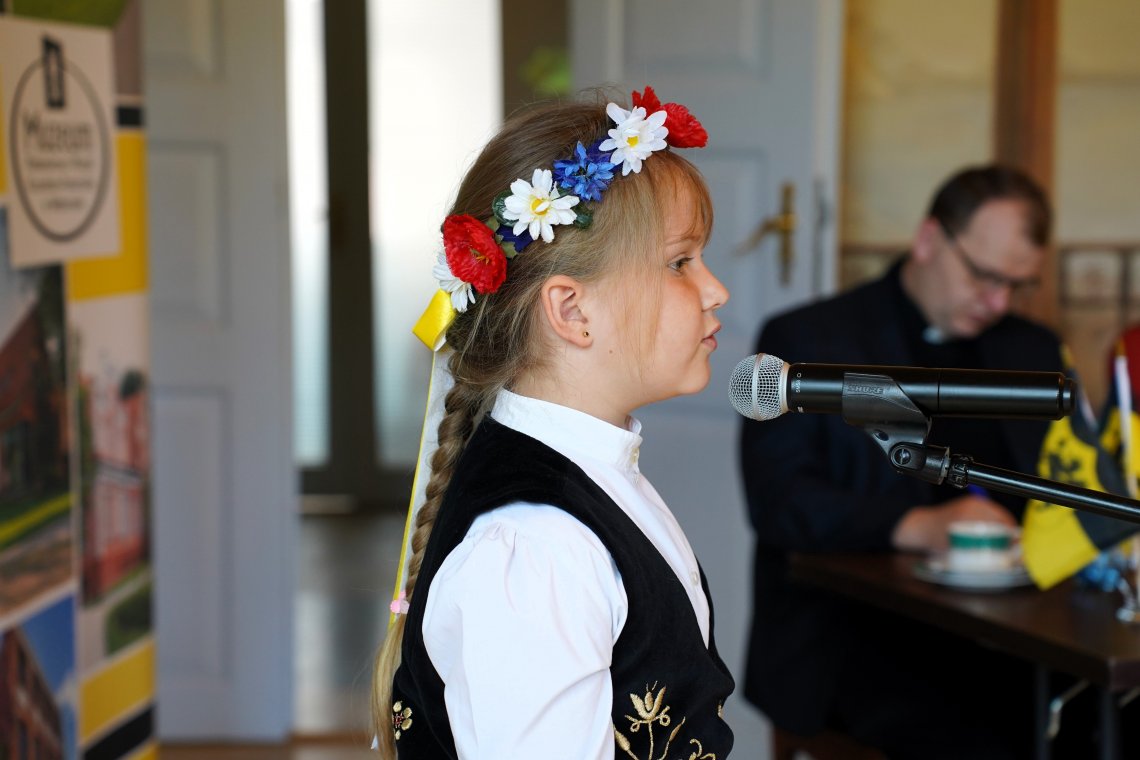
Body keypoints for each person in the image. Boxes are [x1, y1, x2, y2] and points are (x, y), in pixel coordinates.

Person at [371, 87, 734, 759]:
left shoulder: (593, 479)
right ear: (571, 311)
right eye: (681, 262)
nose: (716, 291)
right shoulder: (536, 547)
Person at [740, 164, 1061, 759]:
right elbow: (780, 501)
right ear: (929, 239)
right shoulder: (810, 341)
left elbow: (1063, 480)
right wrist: (919, 526)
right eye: (985, 276)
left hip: (1014, 626)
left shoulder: (1032, 349)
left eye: (1018, 286)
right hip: (859, 630)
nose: (998, 302)